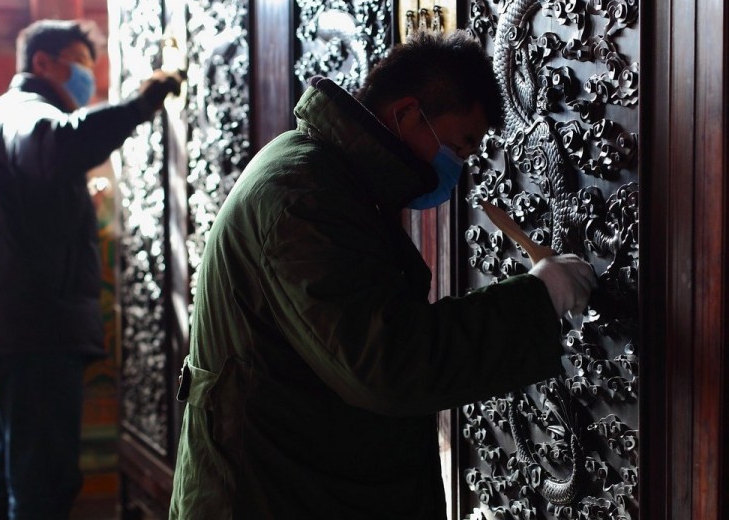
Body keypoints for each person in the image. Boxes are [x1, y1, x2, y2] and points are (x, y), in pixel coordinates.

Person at [169, 30, 596, 519]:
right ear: (409, 114)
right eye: (459, 146)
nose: (459, 166)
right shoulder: (305, 199)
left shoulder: (323, 174)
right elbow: (387, 362)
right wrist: (537, 299)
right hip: (263, 493)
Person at [0, 18, 183, 520]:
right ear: (43, 63)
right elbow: (59, 144)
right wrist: (141, 102)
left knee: (10, 474)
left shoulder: (10, 114)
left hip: (20, 327)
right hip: (35, 330)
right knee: (42, 483)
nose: (88, 76)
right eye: (82, 64)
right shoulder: (23, 110)